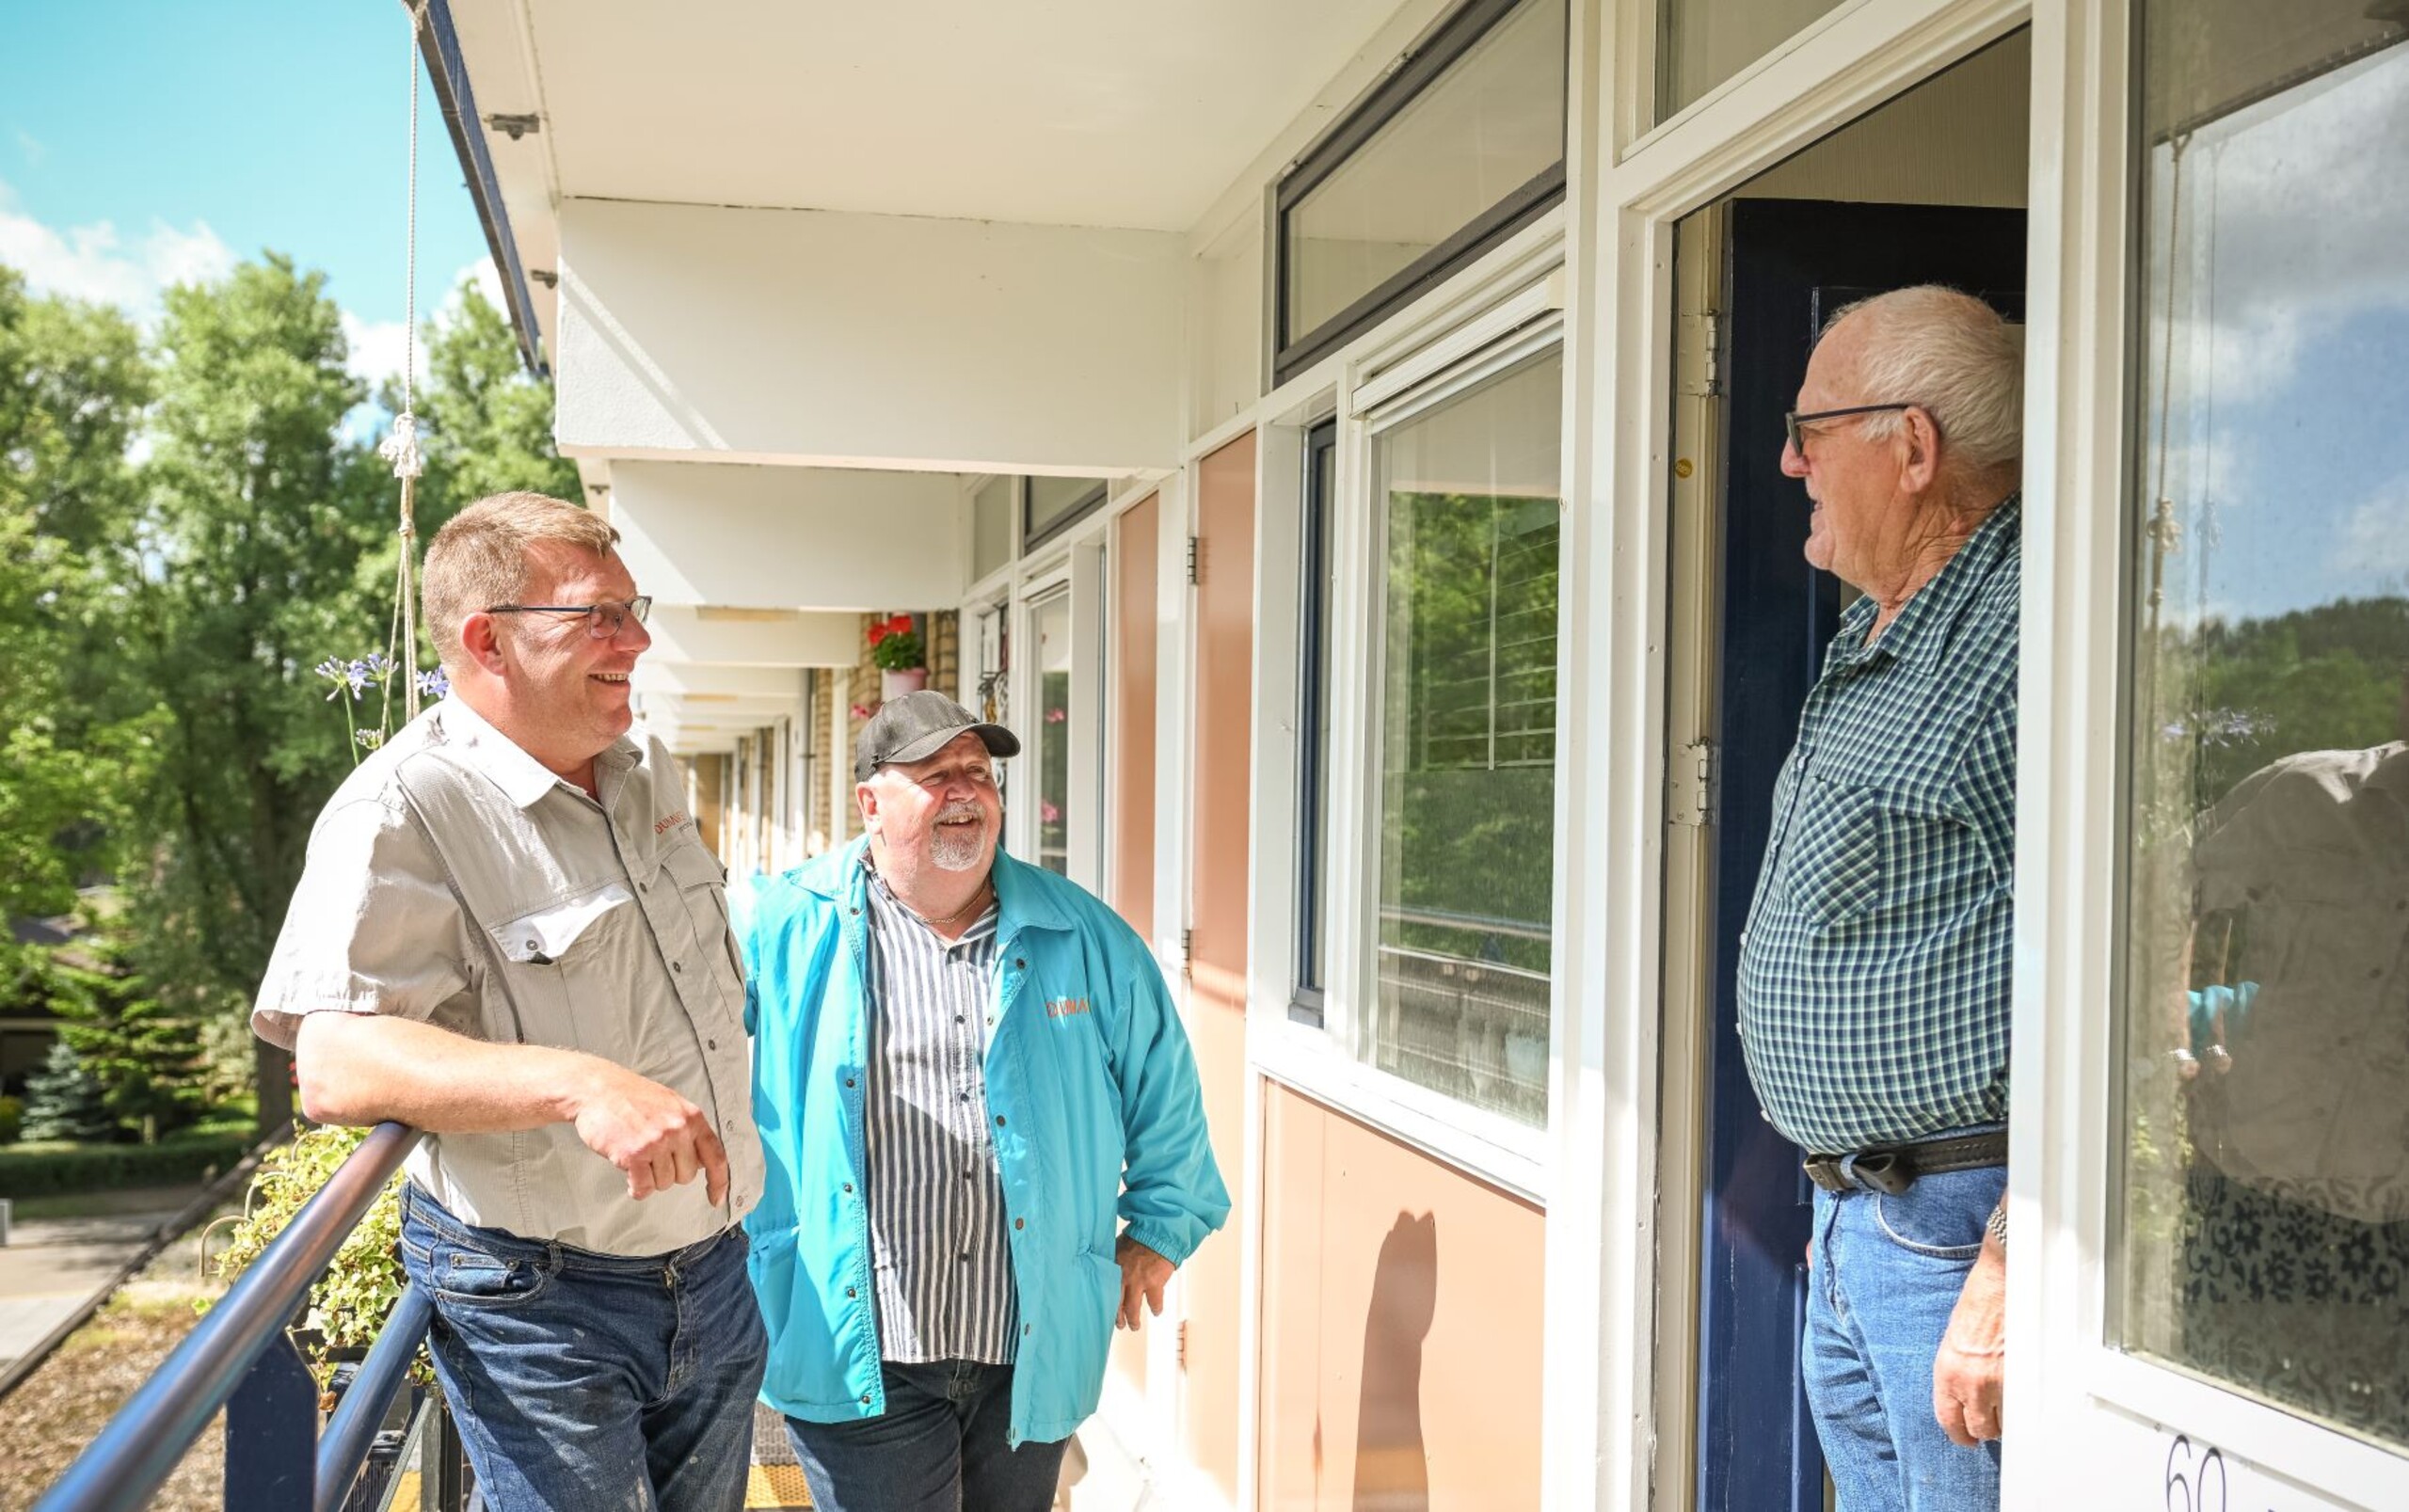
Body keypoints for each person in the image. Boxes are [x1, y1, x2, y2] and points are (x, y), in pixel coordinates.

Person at [252, 491, 766, 1512]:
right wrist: (580, 1085)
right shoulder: (402, 807)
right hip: (546, 1302)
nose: (637, 639)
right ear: (489, 640)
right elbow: (334, 1061)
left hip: (712, 1267)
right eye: (598, 615)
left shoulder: (640, 772)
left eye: (632, 609)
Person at [742, 691, 1230, 1512]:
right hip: (860, 1345)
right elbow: (681, 1051)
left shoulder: (1082, 934)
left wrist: (1161, 1226)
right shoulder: (787, 923)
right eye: (935, 774)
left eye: (978, 771)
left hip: (1029, 1346)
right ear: (870, 802)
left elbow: (1165, 1088)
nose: (965, 789)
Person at [1735, 285, 2024, 1509]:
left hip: (1962, 1232)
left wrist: (2014, 1259)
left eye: (1810, 430)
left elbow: (2137, 968)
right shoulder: (1887, 626)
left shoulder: (2024, 634)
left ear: (1912, 446)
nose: (1788, 461)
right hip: (1872, 1215)